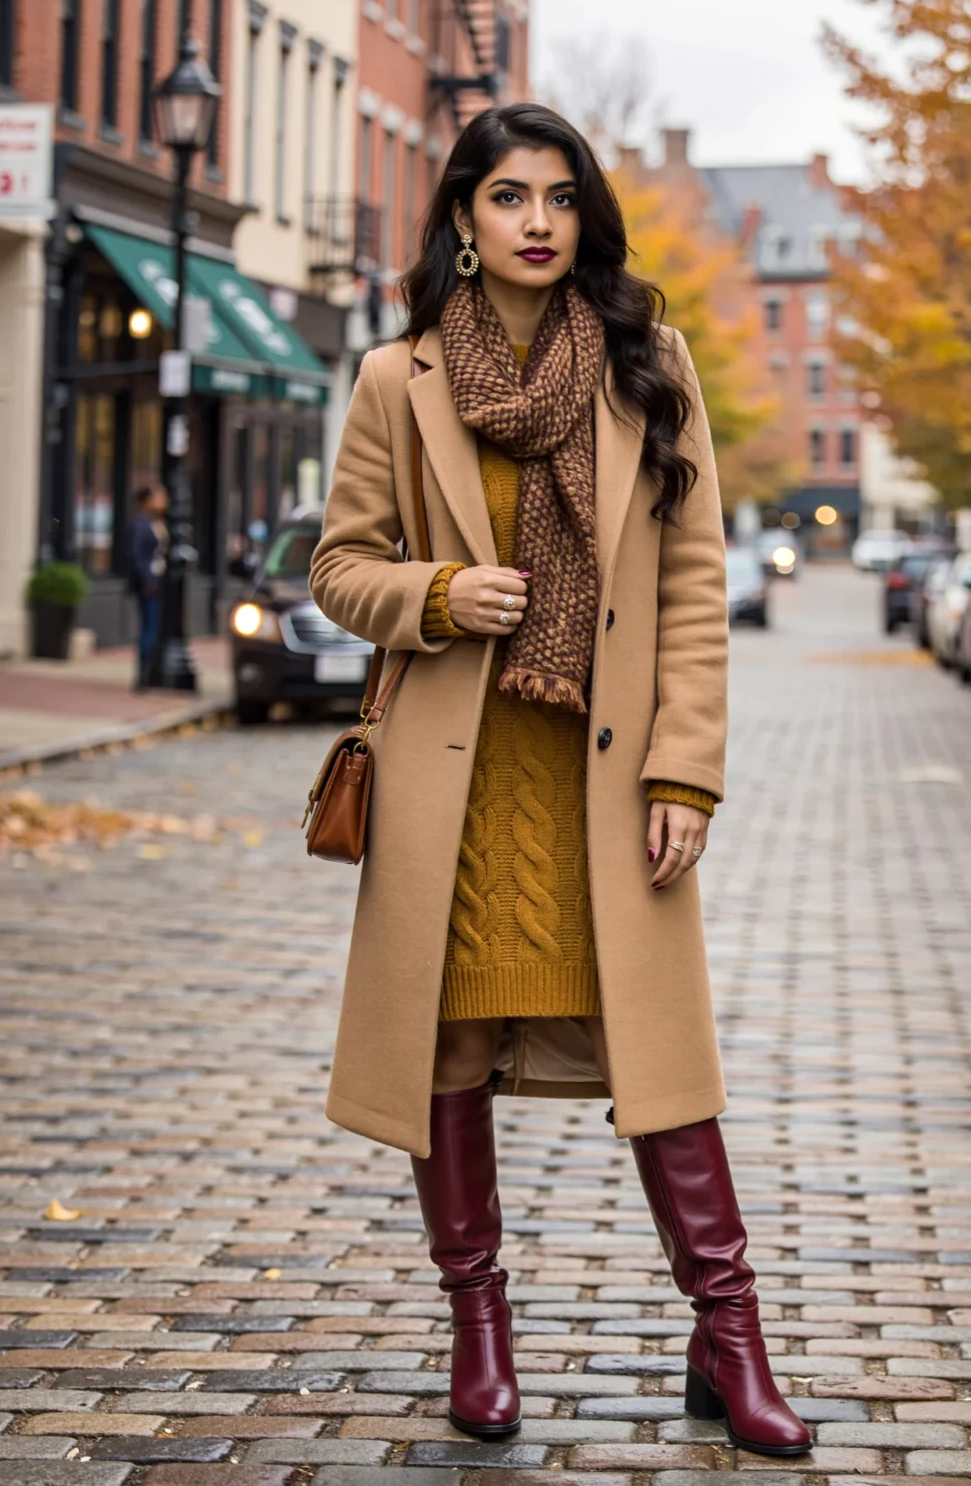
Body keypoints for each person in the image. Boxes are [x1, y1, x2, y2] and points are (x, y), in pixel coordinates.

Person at [309, 103, 811, 1460]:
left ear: (585, 217)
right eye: (508, 197)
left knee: (666, 1070)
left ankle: (731, 1335)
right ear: (463, 221)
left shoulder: (651, 362)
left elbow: (697, 582)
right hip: (454, 783)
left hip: (605, 770)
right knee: (451, 1050)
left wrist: (687, 773)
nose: (538, 220)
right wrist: (434, 591)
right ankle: (480, 1330)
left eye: (560, 198)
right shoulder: (393, 376)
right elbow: (337, 566)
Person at [127, 484, 167, 689]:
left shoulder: (156, 522)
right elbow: (137, 555)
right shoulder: (140, 524)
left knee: (154, 628)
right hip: (149, 584)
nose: (163, 500)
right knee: (149, 628)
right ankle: (143, 675)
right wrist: (147, 580)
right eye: (158, 496)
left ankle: (152, 671)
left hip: (159, 581)